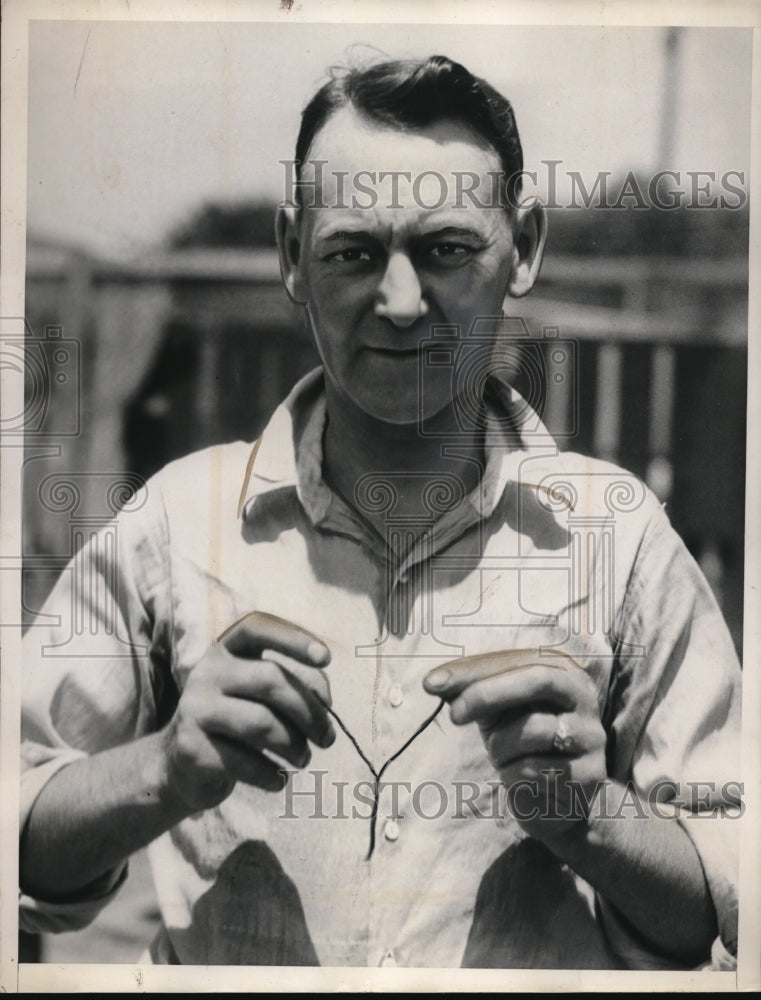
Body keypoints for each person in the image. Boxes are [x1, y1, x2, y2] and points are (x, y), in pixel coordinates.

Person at [19, 54, 741, 969]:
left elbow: (731, 909)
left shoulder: (621, 540)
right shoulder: (173, 523)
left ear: (523, 246)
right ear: (291, 255)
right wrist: (162, 770)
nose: (400, 303)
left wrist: (594, 821)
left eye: (445, 248)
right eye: (353, 252)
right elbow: (21, 832)